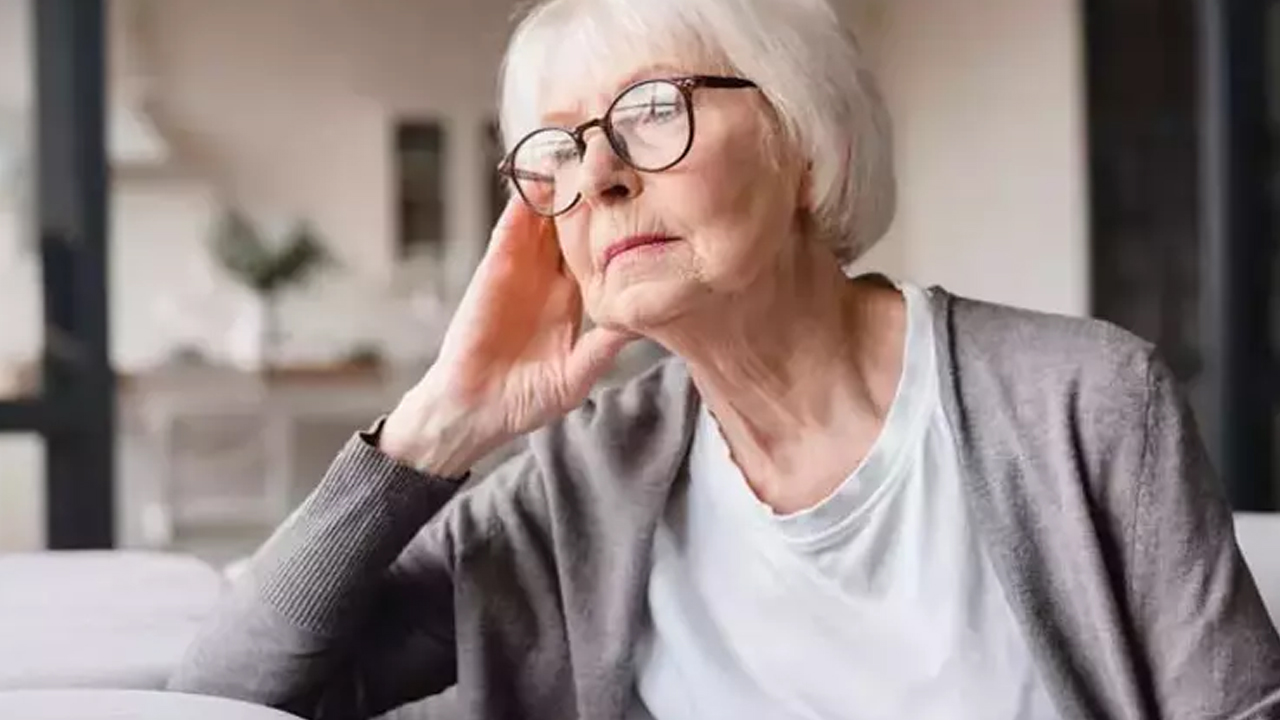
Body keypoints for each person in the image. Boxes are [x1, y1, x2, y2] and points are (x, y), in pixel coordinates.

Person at [168, 0, 1280, 717]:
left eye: (650, 113)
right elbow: (225, 693)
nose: (597, 176)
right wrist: (433, 430)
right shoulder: (580, 480)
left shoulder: (1081, 402)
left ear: (805, 145)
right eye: (556, 149)